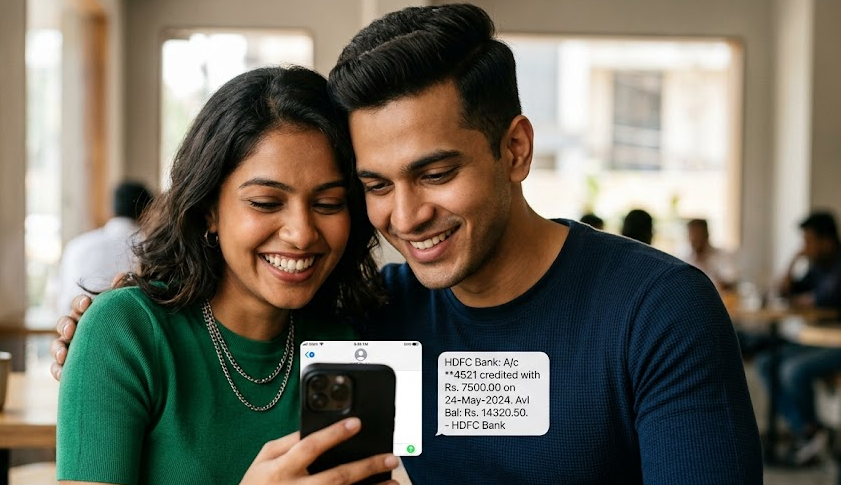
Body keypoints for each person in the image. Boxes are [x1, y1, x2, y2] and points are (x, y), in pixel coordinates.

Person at [53, 4, 762, 484]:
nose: (407, 214)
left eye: (435, 172)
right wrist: (115, 323)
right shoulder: (371, 318)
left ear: (514, 149)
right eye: (375, 184)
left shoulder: (658, 310)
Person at [55, 66, 399, 485]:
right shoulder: (126, 332)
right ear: (209, 211)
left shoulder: (350, 341)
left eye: (328, 203)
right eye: (266, 202)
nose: (302, 233)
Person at [756, 210, 841, 466]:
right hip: (817, 339)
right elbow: (786, 291)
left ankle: (810, 434)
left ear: (827, 240)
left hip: (836, 343)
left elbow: (827, 299)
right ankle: (809, 432)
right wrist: (793, 260)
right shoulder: (818, 266)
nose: (805, 247)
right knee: (766, 362)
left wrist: (800, 298)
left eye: (808, 241)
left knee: (793, 370)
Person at [55, 181, 154, 316]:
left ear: (112, 209)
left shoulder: (77, 246)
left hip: (77, 331)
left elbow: (63, 304)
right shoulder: (152, 250)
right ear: (148, 211)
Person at [681, 218, 738, 291]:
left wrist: (707, 265)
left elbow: (730, 281)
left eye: (699, 234)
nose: (695, 238)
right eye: (692, 234)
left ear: (707, 235)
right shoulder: (683, 257)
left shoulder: (722, 255)